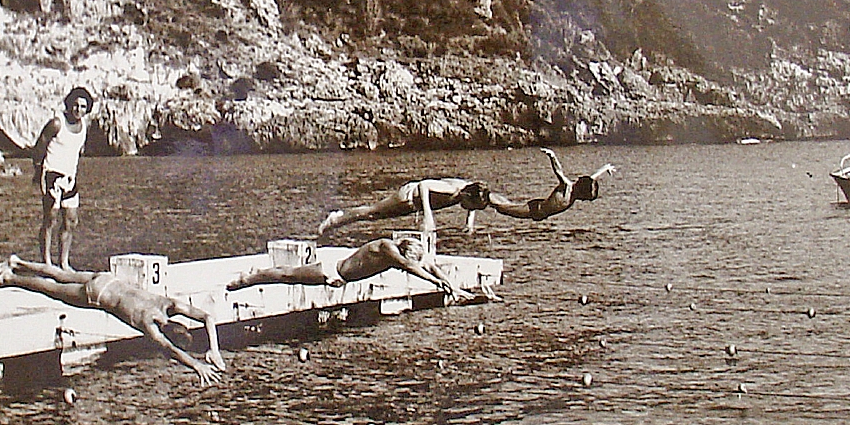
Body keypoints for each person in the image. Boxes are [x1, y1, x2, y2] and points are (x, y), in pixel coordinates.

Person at [0, 255, 226, 386]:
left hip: (106, 280)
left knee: (61, 273)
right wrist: (197, 366)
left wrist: (214, 348)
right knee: (51, 289)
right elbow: (171, 350)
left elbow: (207, 317)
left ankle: (19, 262)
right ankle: (12, 278)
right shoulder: (149, 325)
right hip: (98, 295)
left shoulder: (168, 305)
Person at [226, 236, 472, 303]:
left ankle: (254, 275)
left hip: (342, 274)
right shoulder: (387, 248)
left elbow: (427, 264)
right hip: (333, 270)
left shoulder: (397, 253)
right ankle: (249, 278)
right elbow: (410, 266)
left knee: (290, 275)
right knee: (287, 276)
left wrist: (451, 284)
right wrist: (436, 283)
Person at [31, 87, 93, 269]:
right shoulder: (57, 123)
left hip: (69, 178)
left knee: (71, 220)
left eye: (83, 106)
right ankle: (47, 262)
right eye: (76, 105)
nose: (78, 109)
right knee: (50, 218)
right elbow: (39, 146)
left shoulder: (83, 127)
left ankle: (64, 262)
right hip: (51, 174)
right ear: (69, 104)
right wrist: (37, 172)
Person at [317, 178, 491, 236]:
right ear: (467, 196)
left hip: (414, 204)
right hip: (407, 198)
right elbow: (424, 185)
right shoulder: (452, 189)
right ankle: (336, 218)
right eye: (471, 206)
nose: (469, 208)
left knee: (373, 216)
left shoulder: (469, 189)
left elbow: (474, 199)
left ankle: (338, 221)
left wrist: (469, 222)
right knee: (372, 212)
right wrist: (428, 216)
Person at [488, 148, 617, 221]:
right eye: (585, 198)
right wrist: (552, 156)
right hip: (534, 209)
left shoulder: (576, 194)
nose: (583, 200)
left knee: (507, 207)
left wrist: (605, 169)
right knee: (503, 208)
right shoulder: (567, 187)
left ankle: (489, 198)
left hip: (541, 212)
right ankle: (483, 196)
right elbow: (558, 171)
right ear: (581, 191)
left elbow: (592, 178)